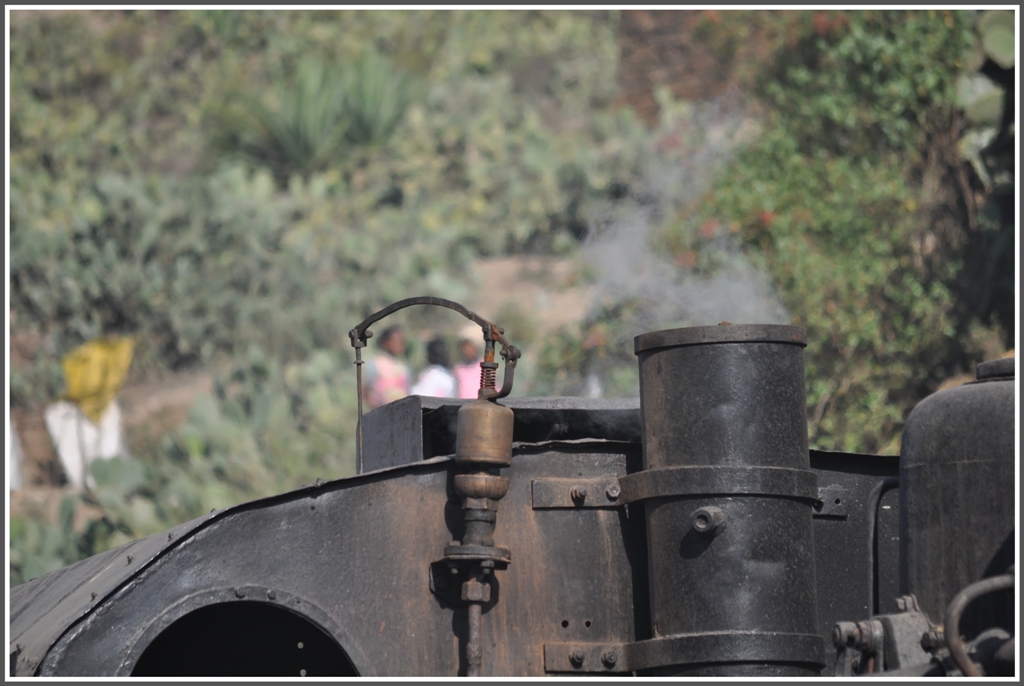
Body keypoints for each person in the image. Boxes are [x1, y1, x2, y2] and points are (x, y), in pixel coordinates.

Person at [362, 325, 411, 409]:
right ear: (386, 342)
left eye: (401, 341)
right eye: (395, 341)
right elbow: (365, 391)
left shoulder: (404, 366)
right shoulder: (375, 363)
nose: (399, 345)